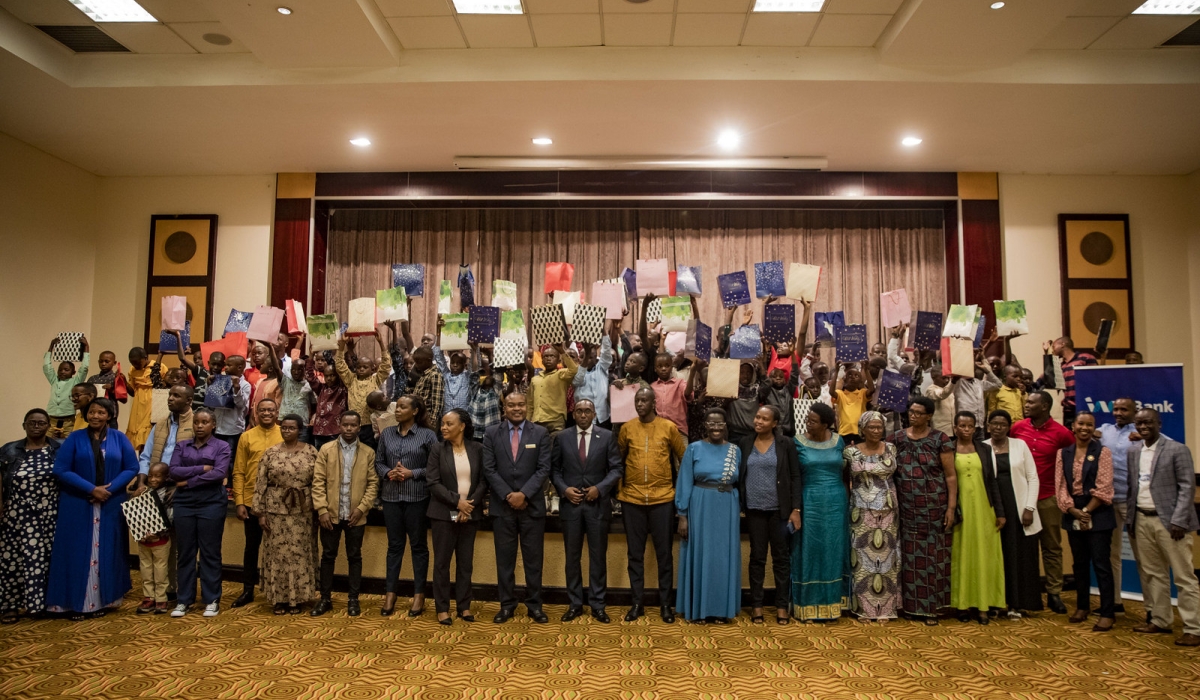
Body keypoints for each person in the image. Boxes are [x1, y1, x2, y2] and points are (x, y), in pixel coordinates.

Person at [47, 398, 139, 619]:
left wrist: (108, 489)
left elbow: (132, 466)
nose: (95, 416)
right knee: (76, 551)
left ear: (109, 415)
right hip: (78, 502)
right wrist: (91, 489)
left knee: (108, 550)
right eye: (92, 412)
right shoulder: (75, 438)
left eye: (101, 412)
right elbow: (61, 469)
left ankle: (103, 601)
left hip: (110, 503)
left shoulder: (119, 438)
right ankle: (74, 604)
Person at [1126, 409, 1199, 646]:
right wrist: (1130, 520)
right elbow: (1132, 488)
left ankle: (1193, 628)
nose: (1143, 426)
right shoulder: (1134, 451)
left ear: (1159, 423)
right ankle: (1160, 620)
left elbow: (1188, 487)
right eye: (1139, 423)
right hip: (1142, 519)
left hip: (1171, 524)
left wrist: (1179, 520)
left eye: (1148, 422)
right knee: (1153, 574)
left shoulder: (1177, 449)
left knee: (1184, 577)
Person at [617, 387, 687, 623]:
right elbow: (618, 461)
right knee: (635, 555)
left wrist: (679, 493)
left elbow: (683, 458)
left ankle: (666, 605)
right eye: (637, 400)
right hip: (632, 500)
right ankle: (637, 604)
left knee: (664, 555)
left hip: (663, 500)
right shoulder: (627, 428)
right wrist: (619, 492)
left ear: (654, 402)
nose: (640, 404)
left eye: (645, 400)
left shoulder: (668, 427)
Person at [550, 399, 623, 623]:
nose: (583, 415)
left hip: (597, 507)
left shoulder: (607, 436)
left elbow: (617, 468)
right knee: (572, 557)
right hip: (570, 506)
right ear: (573, 414)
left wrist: (599, 489)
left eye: (587, 411)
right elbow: (553, 470)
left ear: (594, 414)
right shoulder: (562, 437)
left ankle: (598, 604)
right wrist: (564, 490)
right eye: (579, 411)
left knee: (597, 557)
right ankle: (575, 604)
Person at [482, 392, 552, 624]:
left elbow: (544, 469)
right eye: (511, 405)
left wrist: (524, 494)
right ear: (504, 408)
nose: (517, 409)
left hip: (532, 507)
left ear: (527, 406)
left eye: (521, 404)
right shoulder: (492, 433)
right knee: (505, 561)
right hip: (503, 507)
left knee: (534, 560)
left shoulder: (540, 433)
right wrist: (508, 495)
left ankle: (535, 605)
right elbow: (489, 469)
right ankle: (507, 605)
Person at [887, 396, 955, 624]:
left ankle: (931, 609)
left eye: (918, 413)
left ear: (929, 416)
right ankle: (909, 606)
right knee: (909, 557)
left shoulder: (940, 439)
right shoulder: (896, 438)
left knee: (932, 558)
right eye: (911, 412)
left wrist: (951, 508)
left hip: (934, 506)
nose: (913, 416)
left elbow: (950, 475)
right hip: (906, 507)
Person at [1009, 391, 1075, 614]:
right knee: (1025, 548)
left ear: (1045, 406)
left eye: (1031, 402)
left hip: (1047, 497)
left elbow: (1071, 464)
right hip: (1020, 498)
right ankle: (1026, 593)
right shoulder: (1018, 428)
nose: (1026, 405)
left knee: (1051, 546)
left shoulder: (1062, 434)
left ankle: (1054, 593)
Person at [675, 407, 741, 623]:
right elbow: (684, 481)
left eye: (719, 423)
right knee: (701, 555)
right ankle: (698, 610)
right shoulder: (694, 448)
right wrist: (682, 515)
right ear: (704, 426)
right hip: (700, 506)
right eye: (711, 423)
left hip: (727, 507)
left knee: (723, 558)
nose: (715, 427)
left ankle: (722, 610)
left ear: (725, 426)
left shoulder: (735, 450)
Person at [373, 394, 438, 616]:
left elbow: (436, 467)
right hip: (391, 497)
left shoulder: (428, 436)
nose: (397, 410)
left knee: (418, 547)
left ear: (415, 411)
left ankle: (419, 595)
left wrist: (413, 473)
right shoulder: (387, 434)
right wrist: (388, 472)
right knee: (394, 547)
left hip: (417, 498)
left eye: (402, 407)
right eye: (397, 407)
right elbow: (378, 462)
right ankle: (390, 593)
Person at [737, 405, 801, 625]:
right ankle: (757, 605)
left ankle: (781, 606)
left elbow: (795, 477)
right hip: (754, 510)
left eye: (765, 419)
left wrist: (796, 509)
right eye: (757, 417)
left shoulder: (786, 444)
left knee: (781, 559)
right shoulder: (745, 443)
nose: (759, 421)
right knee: (757, 558)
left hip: (779, 512)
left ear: (775, 423)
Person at [311, 411, 379, 617]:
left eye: (353, 425)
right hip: (330, 514)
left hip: (355, 515)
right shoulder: (326, 449)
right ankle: (325, 599)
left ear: (359, 427)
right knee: (328, 556)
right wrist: (322, 510)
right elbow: (318, 482)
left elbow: (373, 483)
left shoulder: (368, 452)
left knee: (354, 557)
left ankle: (353, 600)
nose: (349, 429)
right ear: (339, 426)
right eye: (345, 425)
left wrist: (361, 508)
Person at [425, 409, 487, 625]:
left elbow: (483, 481)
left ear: (462, 426)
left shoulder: (477, 448)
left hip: (470, 513)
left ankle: (464, 606)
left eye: (449, 424)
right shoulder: (437, 449)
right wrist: (457, 503)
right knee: (442, 562)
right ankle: (442, 608)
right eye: (442, 424)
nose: (443, 427)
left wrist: (467, 506)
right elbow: (433, 482)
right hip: (443, 514)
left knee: (465, 563)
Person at [1055, 411, 1115, 631]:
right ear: (1073, 426)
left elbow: (1105, 486)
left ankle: (1108, 612)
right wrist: (1072, 510)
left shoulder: (1103, 451)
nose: (1085, 428)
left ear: (1093, 428)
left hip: (1098, 512)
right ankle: (1082, 607)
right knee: (1079, 564)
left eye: (1089, 425)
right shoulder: (1064, 453)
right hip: (1073, 512)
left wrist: (1086, 511)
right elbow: (1060, 484)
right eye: (1081, 424)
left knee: (1101, 564)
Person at [253, 414, 319, 615]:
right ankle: (278, 599)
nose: (287, 431)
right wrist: (260, 512)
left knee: (300, 554)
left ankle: (298, 598)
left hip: (303, 511)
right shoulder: (270, 453)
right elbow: (260, 483)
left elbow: (319, 482)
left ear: (300, 430)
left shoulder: (311, 452)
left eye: (291, 428)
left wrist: (320, 508)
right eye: (284, 428)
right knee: (277, 555)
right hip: (275, 510)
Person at [168, 407, 230, 618]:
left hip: (211, 502)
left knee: (209, 552)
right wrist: (202, 469)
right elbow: (173, 471)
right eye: (196, 422)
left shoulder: (222, 446)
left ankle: (211, 599)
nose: (200, 426)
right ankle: (184, 600)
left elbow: (219, 473)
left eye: (204, 422)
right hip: (184, 502)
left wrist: (187, 481)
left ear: (213, 425)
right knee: (185, 552)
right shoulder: (181, 445)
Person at [0, 409, 61, 623]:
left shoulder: (58, 449)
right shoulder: (8, 450)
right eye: (32, 422)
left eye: (41, 423)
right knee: (12, 559)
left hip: (49, 513)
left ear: (48, 426)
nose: (36, 426)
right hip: (16, 514)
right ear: (24, 424)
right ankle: (10, 606)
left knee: (45, 559)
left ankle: (40, 604)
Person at [792, 402, 849, 622]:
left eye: (813, 421)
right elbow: (794, 477)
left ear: (826, 424)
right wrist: (795, 507)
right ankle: (806, 604)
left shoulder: (838, 441)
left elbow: (845, 475)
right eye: (808, 418)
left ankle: (833, 603)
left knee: (834, 548)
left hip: (836, 501)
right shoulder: (797, 442)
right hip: (809, 500)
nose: (808, 422)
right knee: (809, 548)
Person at [983, 409, 1043, 616]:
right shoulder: (981, 447)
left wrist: (1030, 508)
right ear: (988, 425)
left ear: (1009, 427)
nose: (998, 427)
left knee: (1018, 556)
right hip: (992, 509)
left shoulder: (1020, 445)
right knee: (996, 556)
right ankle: (996, 602)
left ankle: (1017, 604)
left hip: (1018, 508)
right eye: (994, 423)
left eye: (1002, 424)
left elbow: (1033, 478)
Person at [949, 412, 1006, 624]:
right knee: (962, 555)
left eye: (970, 426)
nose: (965, 429)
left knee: (984, 557)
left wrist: (1000, 512)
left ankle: (983, 606)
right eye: (961, 425)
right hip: (960, 510)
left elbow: (992, 482)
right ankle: (962, 605)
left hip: (983, 510)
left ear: (976, 428)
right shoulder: (948, 448)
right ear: (954, 427)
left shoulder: (985, 448)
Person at [845, 411, 900, 622]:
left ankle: (885, 610)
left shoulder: (891, 449)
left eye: (879, 427)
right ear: (862, 429)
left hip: (888, 510)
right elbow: (846, 480)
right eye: (871, 427)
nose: (876, 431)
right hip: (861, 511)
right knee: (862, 560)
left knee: (886, 560)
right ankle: (863, 610)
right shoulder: (850, 452)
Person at [230, 398, 283, 608]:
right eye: (263, 410)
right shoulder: (246, 437)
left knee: (279, 550)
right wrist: (240, 502)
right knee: (251, 547)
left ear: (277, 412)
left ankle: (279, 592)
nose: (267, 413)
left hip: (279, 504)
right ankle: (248, 590)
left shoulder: (284, 434)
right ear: (256, 412)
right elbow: (239, 471)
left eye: (271, 410)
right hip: (252, 502)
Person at [1096, 396, 1138, 610]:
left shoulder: (1142, 433)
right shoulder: (1104, 430)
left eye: (1124, 410)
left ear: (1134, 411)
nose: (1119, 413)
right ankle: (1115, 601)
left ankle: (1152, 609)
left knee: (1142, 556)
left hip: (1133, 502)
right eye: (1116, 409)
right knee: (1112, 554)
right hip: (1108, 501)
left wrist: (1143, 436)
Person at [134, 462, 175, 615]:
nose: (152, 479)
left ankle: (161, 598)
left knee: (160, 570)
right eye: (150, 475)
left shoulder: (168, 495)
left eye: (157, 476)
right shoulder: (143, 492)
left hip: (161, 540)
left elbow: (169, 518)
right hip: (143, 540)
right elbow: (135, 514)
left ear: (166, 477)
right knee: (145, 569)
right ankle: (148, 597)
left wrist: (157, 532)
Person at [335, 331, 391, 427]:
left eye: (365, 367)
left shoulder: (375, 379)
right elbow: (340, 365)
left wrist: (381, 342)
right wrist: (342, 344)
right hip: (354, 424)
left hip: (371, 423)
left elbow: (386, 365)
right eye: (359, 367)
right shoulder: (351, 380)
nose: (361, 369)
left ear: (372, 369)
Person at [1042, 336, 1096, 427]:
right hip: (1068, 410)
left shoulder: (1085, 358)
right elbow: (1048, 379)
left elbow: (1096, 379)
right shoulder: (1061, 366)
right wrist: (1047, 353)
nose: (1053, 349)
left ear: (1063, 344)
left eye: (1054, 346)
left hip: (1085, 407)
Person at [44, 336, 89, 439]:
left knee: (66, 443)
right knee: (49, 443)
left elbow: (84, 368)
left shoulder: (75, 382)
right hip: (51, 419)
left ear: (73, 372)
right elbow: (47, 367)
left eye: (66, 370)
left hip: (68, 421)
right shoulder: (54, 380)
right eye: (60, 370)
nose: (62, 372)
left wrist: (86, 347)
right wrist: (51, 347)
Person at [528, 343, 578, 434]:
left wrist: (562, 351)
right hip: (537, 422)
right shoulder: (535, 379)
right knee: (540, 448)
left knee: (555, 447)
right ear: (542, 360)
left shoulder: (561, 374)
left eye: (552, 356)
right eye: (546, 356)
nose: (548, 358)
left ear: (558, 360)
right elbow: (530, 403)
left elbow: (574, 370)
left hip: (556, 422)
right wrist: (527, 422)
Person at [306, 351, 349, 450]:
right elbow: (310, 376)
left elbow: (345, 370)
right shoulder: (321, 388)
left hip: (335, 431)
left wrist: (344, 349)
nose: (329, 378)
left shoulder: (342, 388)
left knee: (334, 458)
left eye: (332, 375)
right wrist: (311, 356)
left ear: (338, 376)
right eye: (327, 376)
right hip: (319, 431)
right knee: (320, 457)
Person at [213, 355, 252, 456]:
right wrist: (211, 386)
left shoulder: (245, 385)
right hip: (216, 427)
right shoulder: (220, 380)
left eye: (229, 365)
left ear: (239, 367)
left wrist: (237, 388)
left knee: (229, 457)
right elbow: (213, 403)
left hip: (232, 430)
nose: (225, 368)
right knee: (215, 455)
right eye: (225, 365)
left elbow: (241, 405)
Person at [831, 363, 874, 445]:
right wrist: (836, 371)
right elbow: (831, 392)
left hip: (860, 433)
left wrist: (866, 370)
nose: (853, 377)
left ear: (860, 381)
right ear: (845, 379)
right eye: (850, 375)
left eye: (856, 375)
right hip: (844, 433)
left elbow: (871, 390)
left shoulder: (862, 393)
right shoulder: (840, 394)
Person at [124, 348, 156, 449]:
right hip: (138, 405)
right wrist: (124, 382)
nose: (135, 366)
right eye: (133, 363)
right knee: (137, 435)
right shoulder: (132, 370)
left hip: (151, 402)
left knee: (149, 435)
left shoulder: (157, 367)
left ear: (145, 358)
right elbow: (132, 392)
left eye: (137, 363)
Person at [411, 347, 445, 427]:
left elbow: (437, 401)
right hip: (419, 417)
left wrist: (432, 421)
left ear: (429, 360)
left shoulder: (435, 375)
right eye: (415, 362)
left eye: (419, 362)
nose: (416, 365)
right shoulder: (424, 374)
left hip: (428, 420)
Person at [923, 365, 957, 436]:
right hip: (940, 430)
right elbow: (941, 395)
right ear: (933, 378)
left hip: (953, 430)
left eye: (948, 378)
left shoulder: (948, 389)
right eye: (943, 378)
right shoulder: (930, 390)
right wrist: (953, 381)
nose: (947, 380)